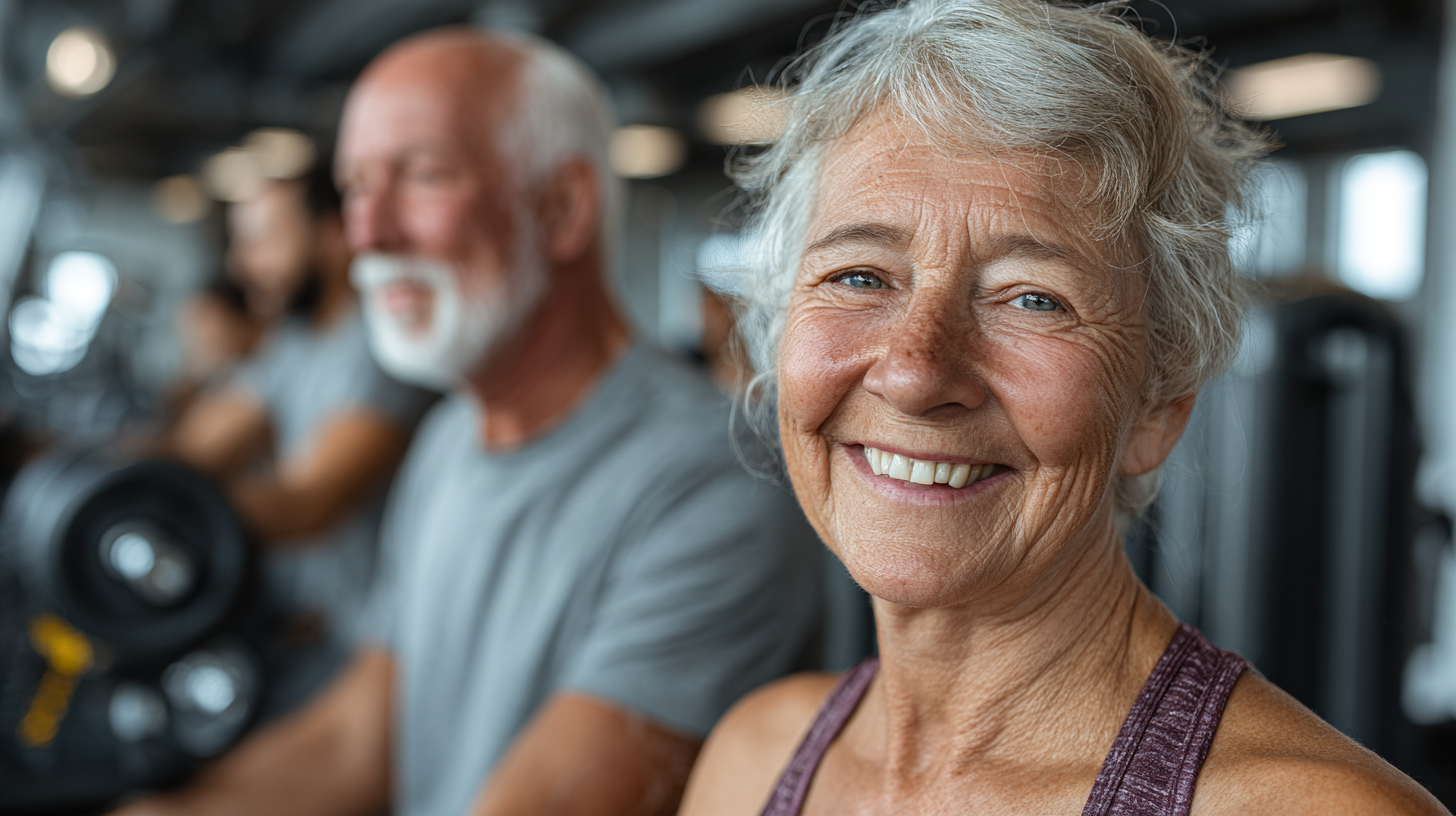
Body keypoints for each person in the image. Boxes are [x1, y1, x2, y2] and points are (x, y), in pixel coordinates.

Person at [676, 2, 1449, 815]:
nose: (914, 372)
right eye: (860, 276)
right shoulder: (752, 761)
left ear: (1160, 399)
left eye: (1033, 299)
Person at [113, 27, 822, 816]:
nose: (367, 235)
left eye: (421, 176)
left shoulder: (716, 480)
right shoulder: (447, 440)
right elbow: (361, 736)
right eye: (355, 187)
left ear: (561, 209)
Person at [166, 165, 435, 711]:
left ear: (335, 238)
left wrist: (138, 502)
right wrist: (57, 460)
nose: (242, 266)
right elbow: (199, 448)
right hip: (303, 626)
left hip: (371, 655)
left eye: (262, 241)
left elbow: (307, 504)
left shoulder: (381, 350)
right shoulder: (294, 339)